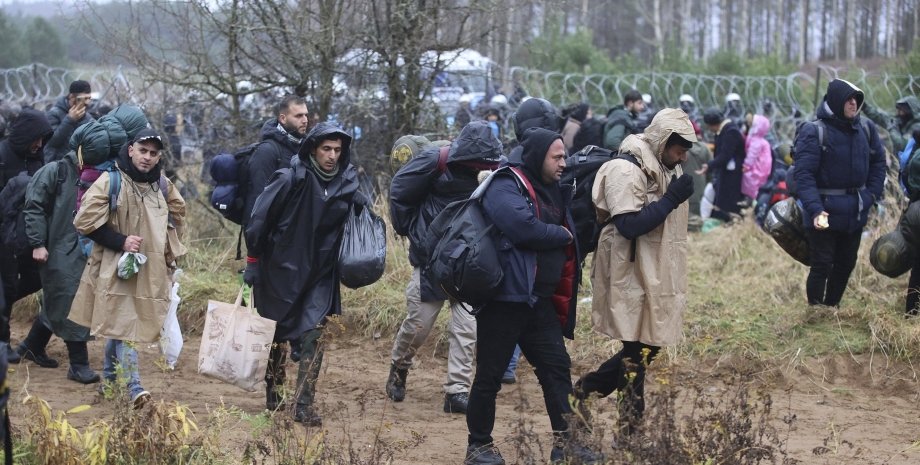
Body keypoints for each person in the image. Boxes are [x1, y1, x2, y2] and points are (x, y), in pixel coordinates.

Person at [464, 127, 602, 465]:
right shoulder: (504, 183)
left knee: (556, 369)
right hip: (505, 299)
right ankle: (478, 446)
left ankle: (565, 445)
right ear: (538, 157)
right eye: (557, 157)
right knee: (490, 375)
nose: (563, 163)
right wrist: (561, 234)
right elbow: (521, 226)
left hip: (538, 301)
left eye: (564, 156)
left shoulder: (554, 189)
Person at [576, 108, 696, 436]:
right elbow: (628, 225)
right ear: (662, 141)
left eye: (686, 150)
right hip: (627, 270)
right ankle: (630, 430)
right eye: (679, 149)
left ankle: (583, 393)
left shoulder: (664, 163)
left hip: (654, 268)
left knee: (648, 345)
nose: (682, 156)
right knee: (636, 350)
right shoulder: (625, 168)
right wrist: (672, 198)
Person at [244, 122, 362, 425]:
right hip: (280, 268)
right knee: (276, 333)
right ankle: (275, 390)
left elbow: (356, 226)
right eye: (326, 148)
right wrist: (254, 261)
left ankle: (304, 404)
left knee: (314, 335)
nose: (332, 155)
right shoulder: (289, 178)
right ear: (312, 148)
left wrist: (362, 212)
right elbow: (259, 220)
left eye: (338, 149)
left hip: (320, 273)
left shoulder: (347, 184)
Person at [386, 121, 502, 414]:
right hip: (432, 260)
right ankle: (399, 366)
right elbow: (399, 189)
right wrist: (412, 231)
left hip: (469, 262)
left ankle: (457, 391)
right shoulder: (435, 160)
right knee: (418, 325)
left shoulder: (496, 169)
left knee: (467, 328)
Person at [69, 128, 187, 408]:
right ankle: (134, 387)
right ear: (131, 149)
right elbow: (83, 222)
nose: (147, 158)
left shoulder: (163, 186)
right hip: (115, 266)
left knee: (120, 325)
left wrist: (168, 252)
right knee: (125, 324)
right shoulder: (110, 181)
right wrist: (120, 241)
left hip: (151, 269)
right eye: (143, 151)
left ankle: (109, 384)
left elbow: (178, 217)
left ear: (159, 157)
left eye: (153, 153)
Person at [22, 122, 104, 384]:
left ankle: (31, 346)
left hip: (84, 248)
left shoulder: (98, 174)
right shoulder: (55, 171)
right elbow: (33, 207)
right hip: (57, 248)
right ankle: (78, 365)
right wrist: (37, 243)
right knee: (70, 298)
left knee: (59, 299)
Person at [794, 79, 886, 307]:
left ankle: (832, 306)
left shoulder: (866, 128)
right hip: (823, 212)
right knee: (822, 264)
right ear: (836, 100)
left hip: (855, 210)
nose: (854, 103)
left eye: (857, 98)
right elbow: (804, 175)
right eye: (849, 98)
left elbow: (879, 164)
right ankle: (816, 310)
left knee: (846, 263)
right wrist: (815, 209)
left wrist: (870, 196)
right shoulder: (814, 131)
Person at [0, 108, 53, 364]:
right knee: (6, 285)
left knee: (34, 279)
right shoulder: (2, 155)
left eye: (43, 140)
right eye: (36, 138)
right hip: (4, 234)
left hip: (29, 236)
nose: (39, 144)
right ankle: (3, 343)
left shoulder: (38, 158)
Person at [243, 95, 310, 227]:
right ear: (283, 118)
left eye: (306, 115)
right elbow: (258, 201)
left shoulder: (305, 147)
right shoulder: (267, 151)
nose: (305, 120)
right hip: (272, 234)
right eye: (298, 116)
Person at [696, 107, 745, 222]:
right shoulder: (725, 131)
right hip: (726, 174)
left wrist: (709, 165)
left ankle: (733, 223)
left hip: (732, 176)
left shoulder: (730, 132)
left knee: (728, 204)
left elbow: (725, 155)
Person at [45, 80, 95, 163]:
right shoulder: (54, 114)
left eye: (89, 99)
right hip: (57, 165)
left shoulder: (88, 118)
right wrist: (70, 120)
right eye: (83, 99)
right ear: (71, 97)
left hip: (78, 165)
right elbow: (52, 142)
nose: (87, 103)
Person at [742, 114, 773, 201]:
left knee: (750, 184)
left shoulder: (756, 141)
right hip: (762, 169)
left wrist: (746, 166)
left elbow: (752, 155)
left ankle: (750, 202)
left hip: (756, 169)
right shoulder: (761, 140)